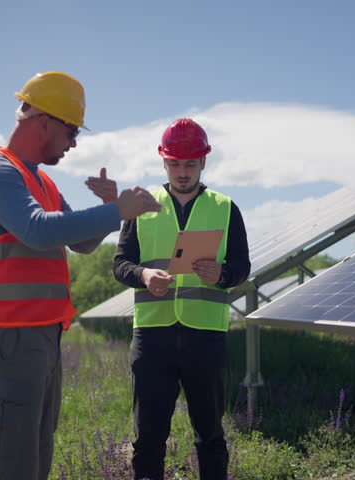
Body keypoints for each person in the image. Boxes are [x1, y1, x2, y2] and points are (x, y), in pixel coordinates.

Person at [0, 71, 162, 480]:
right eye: (70, 132)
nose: (73, 143)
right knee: (8, 465)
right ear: (43, 121)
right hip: (6, 340)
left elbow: (79, 242)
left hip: (38, 339)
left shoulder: (39, 180)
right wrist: (118, 209)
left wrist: (106, 212)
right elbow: (38, 229)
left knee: (32, 460)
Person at [110, 118, 251, 480]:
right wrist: (142, 274)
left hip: (205, 336)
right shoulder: (141, 207)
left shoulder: (226, 208)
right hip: (152, 336)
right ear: (163, 160)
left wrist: (222, 274)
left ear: (204, 162)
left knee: (211, 436)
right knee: (149, 437)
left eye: (190, 163)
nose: (183, 171)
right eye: (175, 163)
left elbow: (241, 266)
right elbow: (120, 264)